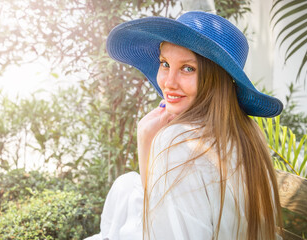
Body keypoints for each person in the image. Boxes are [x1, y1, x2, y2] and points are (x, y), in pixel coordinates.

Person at [86, 11, 283, 240]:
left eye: (188, 68)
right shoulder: (248, 134)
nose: (168, 83)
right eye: (165, 63)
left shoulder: (179, 143)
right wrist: (146, 138)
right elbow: (168, 216)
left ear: (216, 79)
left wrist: (151, 140)